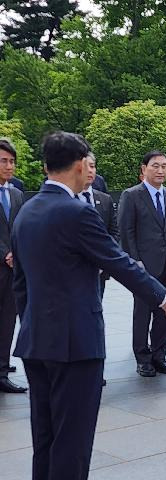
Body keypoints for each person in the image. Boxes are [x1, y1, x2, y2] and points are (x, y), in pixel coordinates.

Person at [11, 131, 166, 480]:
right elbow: (117, 261)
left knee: (45, 437)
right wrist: (162, 296)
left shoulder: (27, 210)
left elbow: (21, 285)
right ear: (77, 165)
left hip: (35, 341)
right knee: (72, 442)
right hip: (76, 345)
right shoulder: (76, 212)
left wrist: (33, 323)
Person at [118, 150, 166, 377]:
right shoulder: (132, 195)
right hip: (144, 265)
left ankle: (160, 355)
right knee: (143, 311)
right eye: (155, 166)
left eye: (164, 166)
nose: (160, 170)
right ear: (144, 169)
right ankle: (143, 358)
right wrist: (134, 261)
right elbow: (126, 231)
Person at [0, 138, 26, 393]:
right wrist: (5, 252)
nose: (9, 166)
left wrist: (16, 252)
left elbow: (20, 229)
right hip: (3, 261)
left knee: (8, 319)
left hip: (13, 269)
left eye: (11, 161)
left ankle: (3, 370)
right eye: (3, 161)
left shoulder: (17, 193)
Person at [79, 152, 119, 300]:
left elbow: (113, 232)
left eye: (93, 166)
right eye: (85, 167)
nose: (90, 170)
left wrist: (105, 260)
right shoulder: (65, 199)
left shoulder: (105, 200)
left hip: (100, 268)